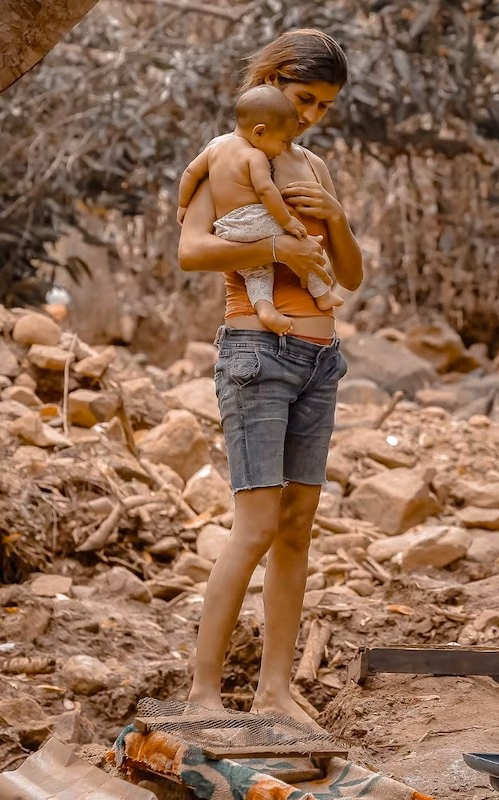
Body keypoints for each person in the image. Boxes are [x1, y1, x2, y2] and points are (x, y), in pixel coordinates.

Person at [177, 28, 363, 729]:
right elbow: (191, 249)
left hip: (321, 360)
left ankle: (275, 692)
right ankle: (203, 695)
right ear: (274, 79)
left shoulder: (312, 166)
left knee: (296, 531)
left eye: (323, 107)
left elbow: (348, 275)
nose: (311, 117)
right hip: (256, 352)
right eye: (303, 98)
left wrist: (335, 221)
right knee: (254, 526)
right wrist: (277, 243)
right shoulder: (229, 156)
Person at [177, 85, 342, 335]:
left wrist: (182, 205)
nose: (283, 147)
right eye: (282, 141)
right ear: (260, 132)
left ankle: (265, 309)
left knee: (256, 273)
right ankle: (321, 293)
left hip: (229, 230)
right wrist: (287, 223)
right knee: (301, 245)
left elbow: (190, 172)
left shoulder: (214, 151)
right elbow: (266, 192)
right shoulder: (254, 157)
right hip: (254, 220)